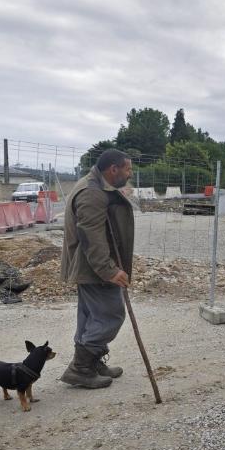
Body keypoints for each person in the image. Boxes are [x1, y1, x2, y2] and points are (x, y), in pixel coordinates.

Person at [59, 149, 134, 389]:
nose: (130, 174)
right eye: (127, 169)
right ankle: (81, 368)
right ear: (113, 169)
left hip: (91, 266)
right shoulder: (92, 192)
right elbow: (91, 237)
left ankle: (90, 363)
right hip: (95, 268)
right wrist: (109, 270)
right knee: (110, 315)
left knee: (91, 316)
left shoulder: (96, 185)